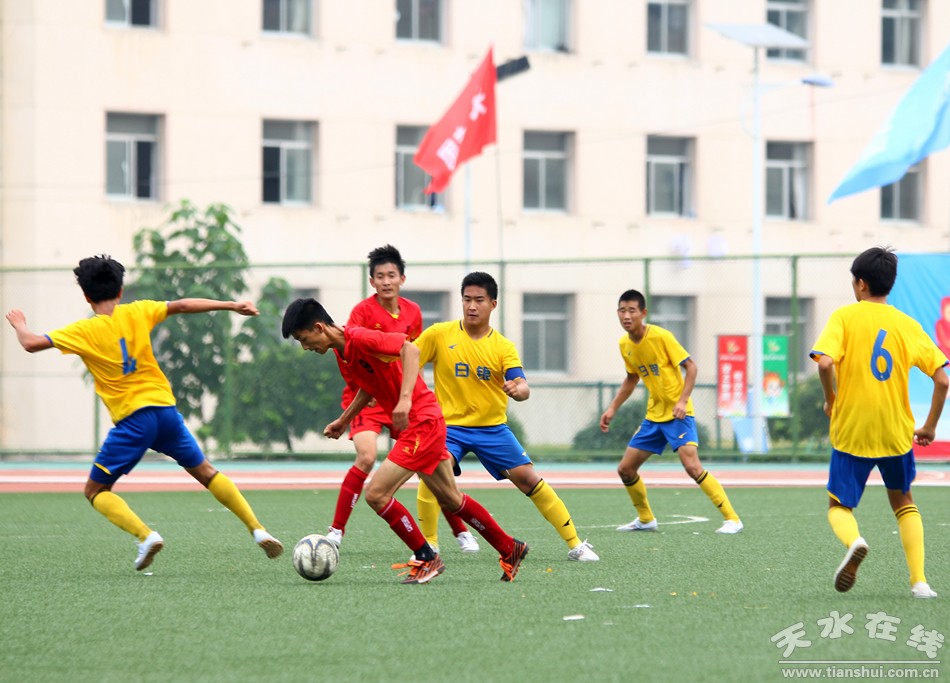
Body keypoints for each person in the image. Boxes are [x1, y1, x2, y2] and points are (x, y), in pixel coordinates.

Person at [5, 254, 283, 571]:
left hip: (133, 421)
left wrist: (19, 323)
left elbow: (30, 343)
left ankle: (145, 535)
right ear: (121, 291)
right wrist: (232, 305)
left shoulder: (82, 331)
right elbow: (182, 305)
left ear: (85, 295)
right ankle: (257, 529)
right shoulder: (138, 312)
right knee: (206, 472)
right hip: (165, 411)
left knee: (95, 490)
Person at [281, 297, 529, 584]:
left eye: (303, 339)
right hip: (423, 423)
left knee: (376, 494)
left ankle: (426, 557)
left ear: (319, 327)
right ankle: (510, 548)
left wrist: (405, 399)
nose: (305, 347)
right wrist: (344, 420)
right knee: (450, 498)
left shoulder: (361, 337)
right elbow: (368, 385)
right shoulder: (343, 353)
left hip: (421, 422)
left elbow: (409, 350)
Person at [413, 271, 599, 562]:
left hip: (492, 430)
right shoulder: (438, 334)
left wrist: (518, 389)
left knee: (529, 479)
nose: (471, 306)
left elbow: (522, 386)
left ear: (493, 304)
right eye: (466, 300)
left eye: (479, 300)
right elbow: (408, 358)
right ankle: (429, 547)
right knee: (433, 470)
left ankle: (575, 544)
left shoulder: (502, 347)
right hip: (448, 428)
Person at [810, 246, 948, 598]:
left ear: (859, 284)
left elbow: (825, 363)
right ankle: (920, 583)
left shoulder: (844, 317)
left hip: (852, 428)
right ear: (889, 284)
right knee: (904, 502)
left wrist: (831, 398)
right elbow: (944, 379)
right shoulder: (906, 324)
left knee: (839, 506)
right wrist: (930, 425)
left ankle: (854, 541)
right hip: (896, 431)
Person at [324, 245, 478, 554]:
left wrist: (411, 399)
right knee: (366, 457)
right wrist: (348, 413)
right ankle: (336, 531)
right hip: (367, 398)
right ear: (372, 282)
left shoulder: (413, 312)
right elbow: (353, 356)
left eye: (391, 275)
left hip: (401, 399)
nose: (385, 281)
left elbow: (414, 355)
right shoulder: (362, 313)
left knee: (430, 465)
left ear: (402, 278)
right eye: (379, 276)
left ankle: (461, 532)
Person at [600, 289, 743, 535]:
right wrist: (612, 408)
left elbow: (691, 367)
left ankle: (732, 519)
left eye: (632, 310)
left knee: (693, 468)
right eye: (622, 310)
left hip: (678, 415)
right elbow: (631, 378)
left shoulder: (661, 336)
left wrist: (682, 400)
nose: (626, 315)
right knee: (625, 469)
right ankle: (645, 519)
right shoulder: (625, 344)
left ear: (643, 313)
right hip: (654, 417)